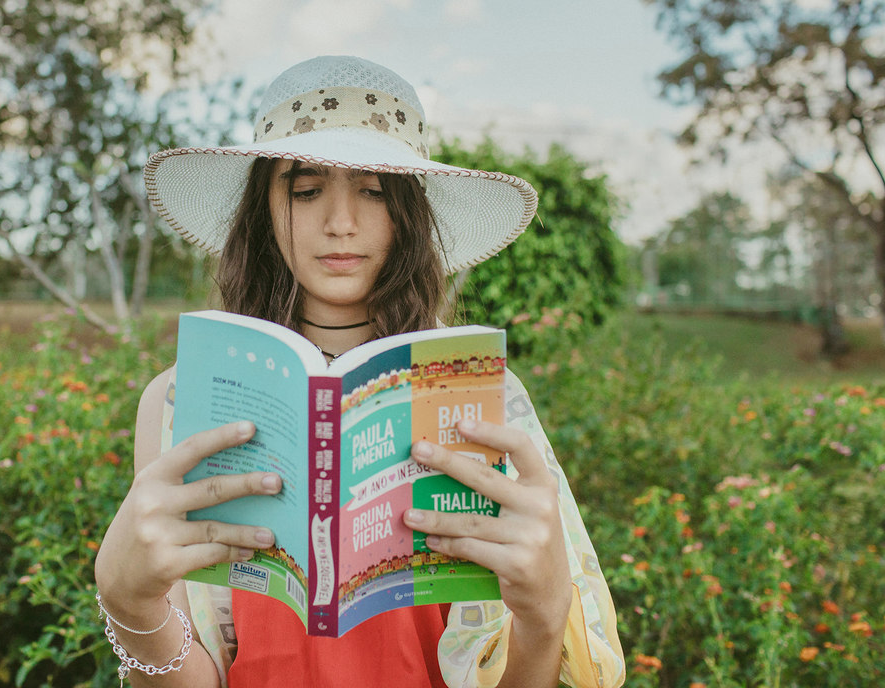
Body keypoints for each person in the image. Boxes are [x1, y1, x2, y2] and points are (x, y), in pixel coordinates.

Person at [94, 55, 625, 688]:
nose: (340, 223)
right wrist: (129, 604)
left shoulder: (484, 397)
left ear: (409, 214)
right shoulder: (179, 401)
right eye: (306, 190)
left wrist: (543, 617)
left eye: (373, 191)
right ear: (264, 209)